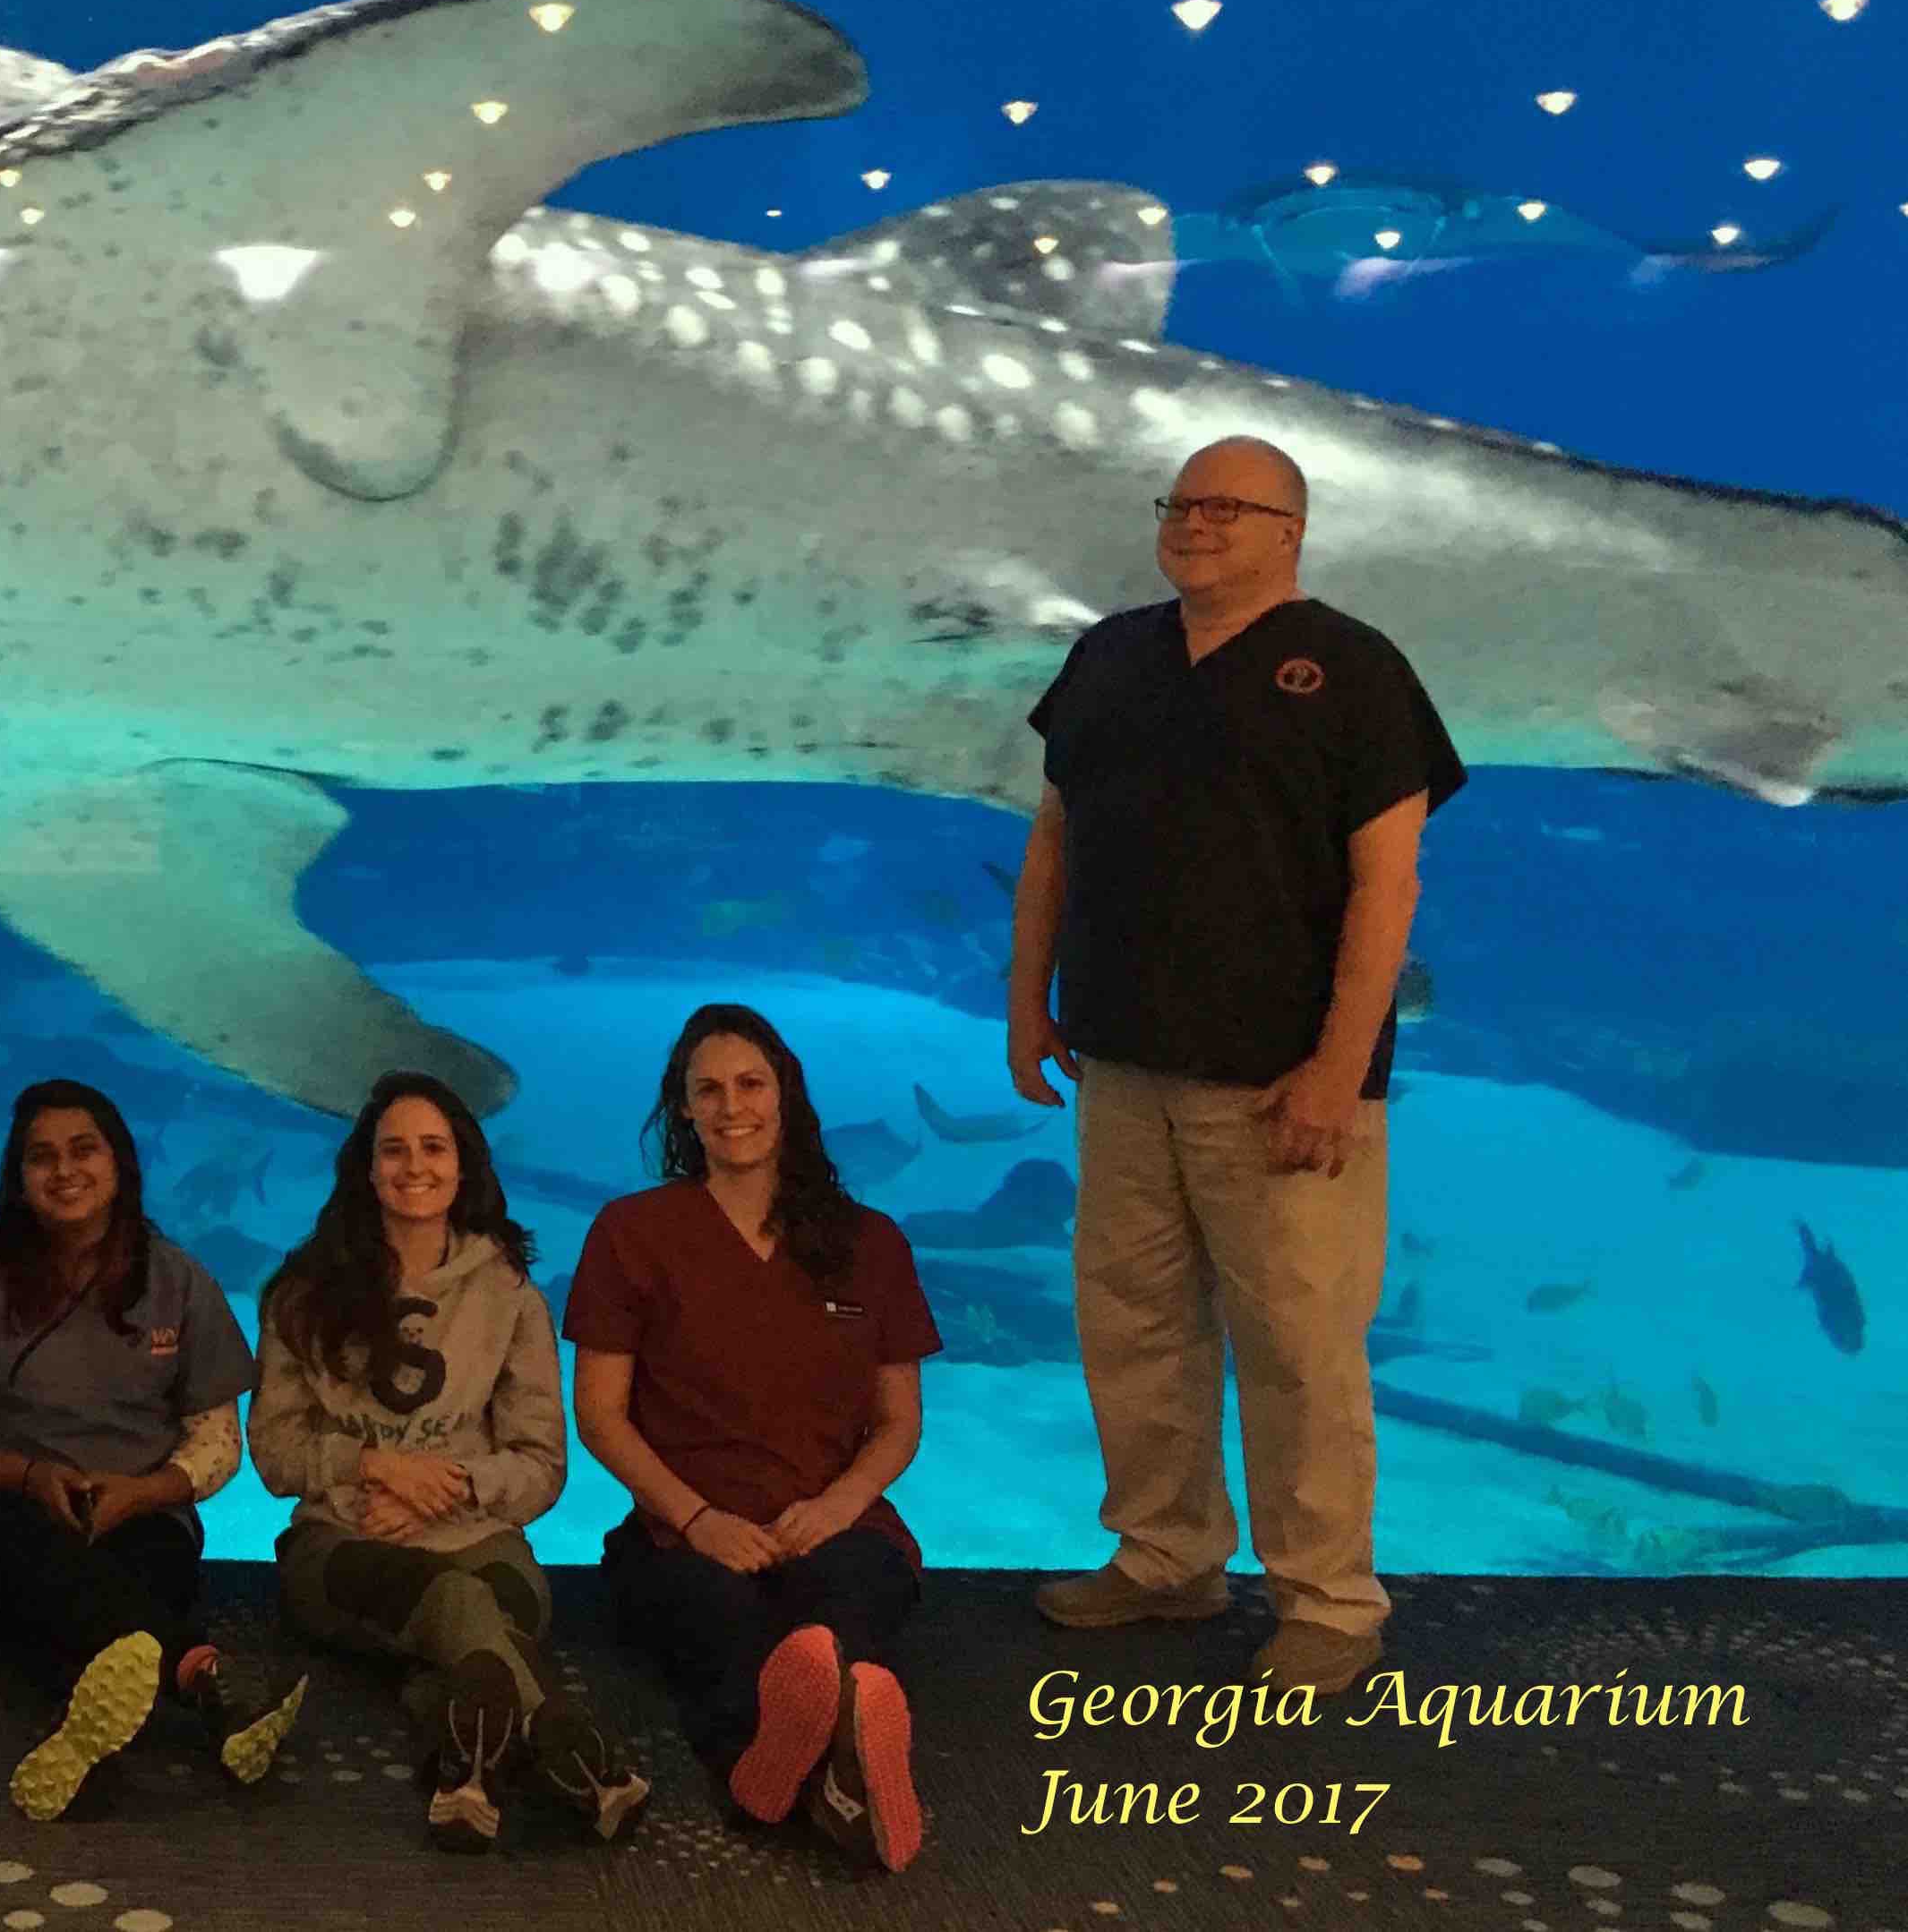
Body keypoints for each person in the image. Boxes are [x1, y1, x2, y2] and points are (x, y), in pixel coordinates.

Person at [1008, 434, 1464, 1699]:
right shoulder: (1108, 657)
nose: (1196, 523)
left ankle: (1326, 1598)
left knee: (1300, 1346)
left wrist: (1336, 1067)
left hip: (1279, 1087)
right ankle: (1164, 1556)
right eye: (1180, 502)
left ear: (1289, 529)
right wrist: (1024, 1004)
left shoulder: (1357, 671)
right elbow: (1052, 841)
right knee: (1132, 1327)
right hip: (1119, 1065)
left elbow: (1388, 884)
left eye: (1228, 506)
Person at [569, 1004, 940, 1873]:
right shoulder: (631, 1233)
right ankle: (817, 1764)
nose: (731, 1105)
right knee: (719, 1621)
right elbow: (600, 1413)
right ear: (683, 1110)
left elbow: (899, 1420)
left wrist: (838, 1505)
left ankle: (796, 1761)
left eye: (750, 1083)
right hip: (680, 1534)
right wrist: (697, 1519)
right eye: (707, 1089)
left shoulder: (868, 1242)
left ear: (786, 1097)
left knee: (847, 1599)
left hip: (834, 1518)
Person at [248, 1071, 648, 1853]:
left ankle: (464, 1768)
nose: (414, 1166)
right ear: (365, 1169)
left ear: (463, 1165)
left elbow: (541, 1464)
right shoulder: (302, 1294)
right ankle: (578, 1757)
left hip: (482, 1538)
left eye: (434, 1147)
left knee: (464, 1630)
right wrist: (376, 1468)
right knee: (462, 1607)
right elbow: (273, 1454)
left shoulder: (510, 1295)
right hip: (344, 1549)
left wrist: (452, 1486)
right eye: (393, 1150)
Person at [0, 1078, 307, 1822]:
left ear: (120, 1162)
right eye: (40, 1157)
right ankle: (203, 1676)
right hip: (2, 1510)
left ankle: (93, 1714)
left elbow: (217, 1441)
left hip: (140, 1508)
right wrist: (26, 1476)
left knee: (118, 1577)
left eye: (84, 1150)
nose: (64, 1171)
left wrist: (146, 1492)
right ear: (16, 1178)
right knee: (21, 1554)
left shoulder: (179, 1279)